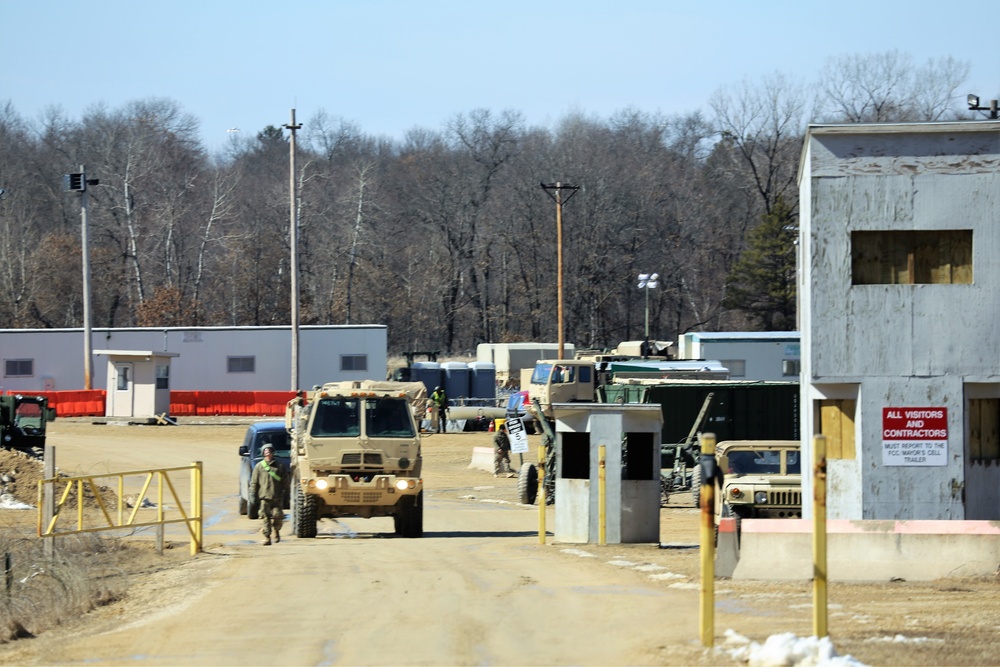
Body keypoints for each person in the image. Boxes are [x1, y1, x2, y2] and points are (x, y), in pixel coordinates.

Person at [249, 444, 289, 546]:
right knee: (265, 517)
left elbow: (285, 481)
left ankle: (277, 531)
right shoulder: (259, 466)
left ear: (273, 452)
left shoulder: (279, 466)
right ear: (263, 453)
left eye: (269, 451)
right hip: (264, 497)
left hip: (277, 497)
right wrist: (253, 495)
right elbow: (254, 482)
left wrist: (286, 494)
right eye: (266, 451)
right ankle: (267, 537)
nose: (268, 452)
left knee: (277, 516)